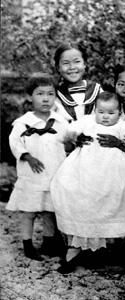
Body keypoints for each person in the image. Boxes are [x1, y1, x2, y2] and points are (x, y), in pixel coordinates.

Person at [51, 91, 125, 274]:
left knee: (104, 207)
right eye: (101, 112)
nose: (105, 117)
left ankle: (97, 252)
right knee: (79, 204)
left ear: (119, 112)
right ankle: (73, 253)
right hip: (84, 173)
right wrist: (75, 137)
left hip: (110, 176)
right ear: (95, 111)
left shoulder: (122, 126)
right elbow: (71, 131)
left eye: (110, 113)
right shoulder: (88, 122)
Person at [6, 72, 68, 261]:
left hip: (53, 175)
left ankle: (49, 243)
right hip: (32, 175)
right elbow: (14, 142)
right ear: (30, 96)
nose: (46, 99)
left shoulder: (60, 122)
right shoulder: (23, 122)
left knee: (50, 211)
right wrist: (27, 156)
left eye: (50, 94)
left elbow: (66, 141)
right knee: (30, 212)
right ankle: (27, 244)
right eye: (40, 94)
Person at [53, 41, 103, 123]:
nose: (72, 67)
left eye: (77, 62)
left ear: (85, 64)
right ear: (58, 67)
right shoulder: (55, 95)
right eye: (66, 63)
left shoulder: (96, 90)